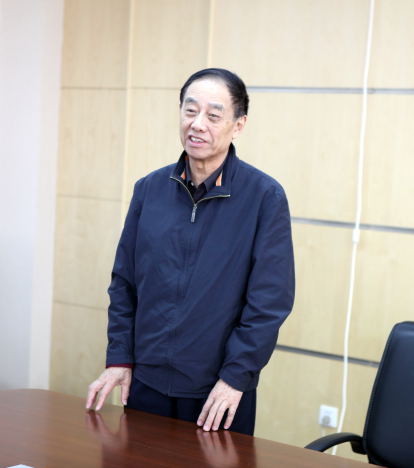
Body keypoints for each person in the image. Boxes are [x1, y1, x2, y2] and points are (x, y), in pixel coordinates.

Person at [85, 68, 295, 436]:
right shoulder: (149, 189)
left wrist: (236, 377)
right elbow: (124, 283)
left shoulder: (265, 197)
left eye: (213, 115)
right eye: (190, 111)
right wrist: (120, 357)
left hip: (216, 391)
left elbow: (269, 302)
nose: (197, 124)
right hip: (146, 382)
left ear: (238, 125)